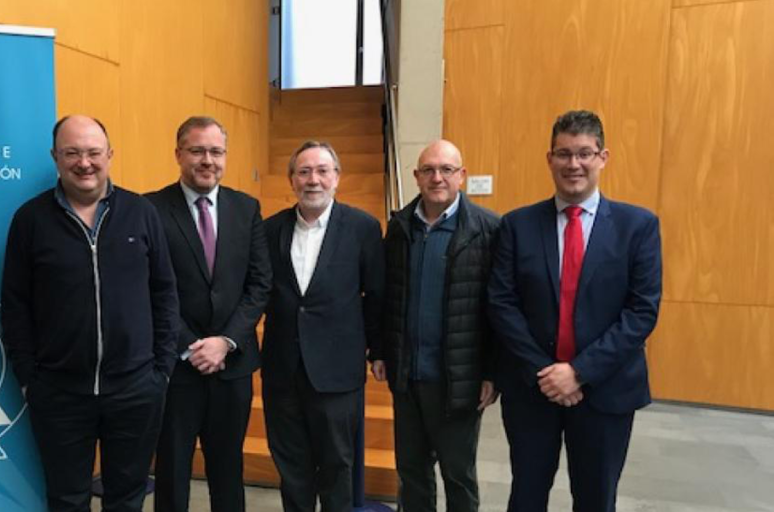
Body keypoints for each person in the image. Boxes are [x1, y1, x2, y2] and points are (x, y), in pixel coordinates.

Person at [1, 115, 180, 512]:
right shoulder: (30, 220)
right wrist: (30, 378)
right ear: (55, 157)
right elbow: (15, 305)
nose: (84, 162)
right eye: (72, 153)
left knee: (127, 499)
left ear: (109, 155)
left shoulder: (142, 213)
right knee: (66, 500)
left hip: (136, 389)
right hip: (59, 394)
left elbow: (165, 293)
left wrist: (161, 370)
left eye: (94, 152)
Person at [487, 110, 662, 512]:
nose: (574, 164)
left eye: (584, 153)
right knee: (526, 495)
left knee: (596, 498)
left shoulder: (639, 226)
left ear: (603, 157)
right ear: (550, 159)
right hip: (533, 389)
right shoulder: (517, 225)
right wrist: (547, 373)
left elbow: (641, 311)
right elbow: (502, 302)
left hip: (606, 390)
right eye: (564, 154)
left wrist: (579, 371)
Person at [147, 116, 272, 512]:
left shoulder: (246, 208)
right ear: (178, 154)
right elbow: (148, 288)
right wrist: (191, 345)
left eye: (216, 151)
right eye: (197, 150)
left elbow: (259, 285)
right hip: (175, 367)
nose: (207, 160)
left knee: (227, 470)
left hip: (232, 366)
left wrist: (225, 341)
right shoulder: (150, 208)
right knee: (172, 470)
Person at [373, 139, 499, 512]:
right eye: (428, 170)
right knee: (411, 472)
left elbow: (498, 310)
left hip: (458, 379)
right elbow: (385, 296)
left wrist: (492, 372)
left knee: (458, 475)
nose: (437, 177)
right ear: (416, 176)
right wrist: (380, 350)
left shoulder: (489, 229)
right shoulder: (398, 228)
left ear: (462, 175)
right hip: (408, 377)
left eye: (446, 169)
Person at [261, 140, 384, 512]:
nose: (313, 179)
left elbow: (377, 295)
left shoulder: (363, 227)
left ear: (337, 178)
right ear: (291, 180)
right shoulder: (269, 230)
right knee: (292, 468)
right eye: (304, 171)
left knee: (337, 467)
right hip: (283, 371)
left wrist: (378, 351)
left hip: (337, 372)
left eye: (322, 171)